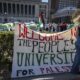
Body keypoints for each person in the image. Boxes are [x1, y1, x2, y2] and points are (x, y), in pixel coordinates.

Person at [71, 9, 80, 74]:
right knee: (78, 56)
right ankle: (74, 70)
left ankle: (74, 70)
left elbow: (77, 32)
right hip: (79, 40)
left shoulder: (77, 23)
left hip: (78, 40)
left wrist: (75, 39)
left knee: (77, 55)